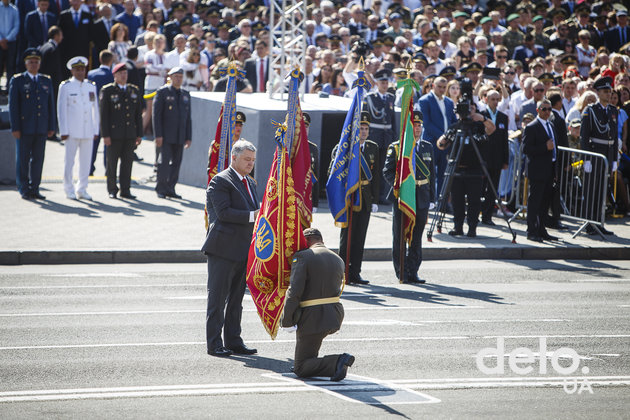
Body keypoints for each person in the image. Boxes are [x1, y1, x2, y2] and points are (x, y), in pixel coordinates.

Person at [202, 140, 259, 358]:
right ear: (233, 158)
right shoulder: (221, 180)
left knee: (236, 300)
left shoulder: (250, 183)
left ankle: (234, 340)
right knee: (217, 299)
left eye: (252, 160)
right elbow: (224, 213)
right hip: (223, 250)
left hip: (244, 250)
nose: (250, 164)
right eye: (246, 159)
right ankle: (214, 343)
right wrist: (254, 215)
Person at [280, 227, 354, 381]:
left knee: (300, 367)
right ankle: (329, 364)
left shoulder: (303, 257)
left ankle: (338, 362)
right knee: (308, 356)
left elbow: (294, 292)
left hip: (313, 317)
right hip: (334, 314)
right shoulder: (337, 258)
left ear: (306, 241)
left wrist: (286, 320)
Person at [383, 111, 435, 283]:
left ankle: (413, 271)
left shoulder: (428, 147)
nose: (418, 129)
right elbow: (387, 172)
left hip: (422, 197)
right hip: (403, 197)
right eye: (415, 126)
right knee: (400, 236)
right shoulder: (397, 147)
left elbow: (432, 175)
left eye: (420, 126)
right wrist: (399, 186)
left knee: (416, 236)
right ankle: (402, 271)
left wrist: (433, 198)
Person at [330, 112, 379, 285]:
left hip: (365, 199)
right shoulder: (343, 148)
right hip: (349, 199)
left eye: (366, 129)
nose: (364, 132)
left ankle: (356, 272)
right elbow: (333, 173)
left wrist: (375, 200)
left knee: (360, 238)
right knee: (346, 239)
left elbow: (376, 176)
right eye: (361, 129)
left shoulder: (373, 148)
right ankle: (343, 273)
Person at [437, 102, 495, 238]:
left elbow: (492, 129)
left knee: (474, 201)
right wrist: (444, 138)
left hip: (474, 170)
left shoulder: (479, 127)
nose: (468, 112)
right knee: (457, 201)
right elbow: (441, 144)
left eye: (472, 109)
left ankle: (472, 228)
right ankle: (458, 227)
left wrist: (482, 118)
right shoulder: (455, 127)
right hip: (456, 170)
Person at [9, 48, 55, 200]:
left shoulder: (45, 80)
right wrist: (15, 127)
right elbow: (13, 107)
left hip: (41, 127)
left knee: (38, 159)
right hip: (24, 128)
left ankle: (35, 187)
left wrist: (51, 127)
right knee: (22, 159)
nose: (34, 65)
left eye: (36, 62)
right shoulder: (18, 81)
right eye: (31, 62)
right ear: (26, 64)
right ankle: (24, 188)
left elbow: (50, 106)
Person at [57, 56, 99, 200]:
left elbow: (95, 109)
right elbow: (61, 110)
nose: (80, 72)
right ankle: (68, 188)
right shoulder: (66, 86)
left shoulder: (91, 86)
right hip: (72, 130)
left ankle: (82, 188)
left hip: (87, 129)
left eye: (82, 69)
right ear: (72, 71)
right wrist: (63, 130)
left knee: (86, 161)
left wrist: (95, 129)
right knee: (69, 161)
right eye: (77, 70)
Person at [580, 76, 617, 235]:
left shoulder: (613, 110)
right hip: (595, 153)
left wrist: (614, 159)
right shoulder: (591, 110)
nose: (608, 94)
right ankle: (589, 223)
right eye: (605, 91)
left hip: (607, 154)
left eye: (609, 91)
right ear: (598, 92)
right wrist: (586, 159)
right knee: (591, 190)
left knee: (602, 191)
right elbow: (584, 137)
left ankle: (599, 222)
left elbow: (614, 137)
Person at [99, 62, 143, 199]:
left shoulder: (133, 90)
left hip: (129, 134)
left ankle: (126, 189)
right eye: (120, 74)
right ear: (115, 75)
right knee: (112, 164)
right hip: (114, 134)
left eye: (125, 73)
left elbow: (137, 115)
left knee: (127, 163)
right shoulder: (108, 91)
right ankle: (112, 189)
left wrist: (139, 134)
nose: (124, 76)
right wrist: (105, 135)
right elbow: (104, 115)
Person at [523, 99, 559, 242]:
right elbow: (526, 149)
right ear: (538, 110)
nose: (547, 112)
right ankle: (531, 230)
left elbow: (555, 148)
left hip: (549, 169)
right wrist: (545, 147)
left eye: (549, 109)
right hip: (537, 170)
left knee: (545, 203)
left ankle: (541, 229)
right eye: (544, 109)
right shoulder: (532, 127)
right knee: (535, 202)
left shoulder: (551, 125)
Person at [153, 67, 192, 199]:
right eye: (176, 76)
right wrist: (158, 135)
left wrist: (188, 136)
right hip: (166, 134)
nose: (178, 79)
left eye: (180, 76)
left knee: (176, 163)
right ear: (170, 77)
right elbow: (156, 115)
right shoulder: (163, 92)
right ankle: (161, 188)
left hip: (180, 135)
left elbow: (188, 118)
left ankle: (171, 188)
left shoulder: (186, 94)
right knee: (164, 162)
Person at [418, 76, 457, 199]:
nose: (442, 89)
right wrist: (443, 136)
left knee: (443, 173)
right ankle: (428, 199)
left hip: (447, 144)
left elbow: (453, 121)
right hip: (432, 142)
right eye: (439, 86)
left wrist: (449, 136)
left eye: (444, 87)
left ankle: (441, 200)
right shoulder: (425, 100)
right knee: (429, 172)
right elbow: (427, 123)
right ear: (433, 86)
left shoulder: (449, 102)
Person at [363, 68, 397, 203]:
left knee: (385, 165)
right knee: (372, 165)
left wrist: (394, 136)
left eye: (386, 82)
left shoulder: (391, 98)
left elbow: (392, 119)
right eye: (382, 82)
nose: (384, 85)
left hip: (387, 136)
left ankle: (382, 195)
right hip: (374, 135)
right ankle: (371, 194)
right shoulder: (370, 98)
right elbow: (365, 118)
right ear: (376, 83)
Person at [480, 90, 509, 226]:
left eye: (498, 99)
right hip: (482, 157)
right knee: (480, 187)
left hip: (496, 159)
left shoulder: (503, 117)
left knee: (493, 188)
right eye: (493, 99)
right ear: (486, 99)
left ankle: (487, 216)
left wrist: (505, 160)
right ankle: (476, 213)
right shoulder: (481, 116)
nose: (496, 102)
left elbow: (505, 140)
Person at [88, 50, 115, 176]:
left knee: (93, 141)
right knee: (108, 142)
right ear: (111, 61)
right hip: (109, 112)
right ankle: (108, 169)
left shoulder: (91, 74)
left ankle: (89, 168)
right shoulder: (112, 75)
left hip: (94, 110)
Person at [303, 113, 320, 209]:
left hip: (307, 197)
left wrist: (315, 203)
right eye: (301, 126)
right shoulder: (290, 147)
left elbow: (316, 177)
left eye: (306, 127)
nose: (304, 129)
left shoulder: (313, 148)